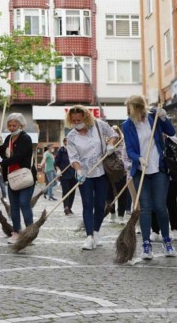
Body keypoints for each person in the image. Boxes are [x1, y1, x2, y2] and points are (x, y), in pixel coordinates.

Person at [122, 95, 176, 260]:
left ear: (139, 107)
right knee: (145, 208)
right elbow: (130, 148)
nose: (128, 112)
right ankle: (146, 244)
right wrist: (138, 158)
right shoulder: (127, 125)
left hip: (158, 168)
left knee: (160, 206)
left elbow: (171, 132)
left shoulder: (153, 117)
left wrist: (163, 117)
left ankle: (167, 240)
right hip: (140, 170)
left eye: (130, 108)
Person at [65, 105, 118, 250]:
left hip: (102, 172)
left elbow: (114, 134)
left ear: (86, 117)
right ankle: (89, 237)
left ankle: (96, 232)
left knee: (100, 205)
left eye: (79, 119)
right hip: (85, 174)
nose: (76, 123)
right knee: (87, 204)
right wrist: (79, 171)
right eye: (74, 120)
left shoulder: (99, 125)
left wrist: (110, 145)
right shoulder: (71, 137)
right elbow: (73, 158)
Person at [0, 113, 37, 244]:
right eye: (10, 125)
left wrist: (1, 164)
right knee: (13, 206)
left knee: (24, 203)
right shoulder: (9, 138)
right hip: (12, 177)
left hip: (25, 176)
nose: (12, 128)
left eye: (15, 125)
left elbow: (18, 156)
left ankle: (29, 233)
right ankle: (16, 232)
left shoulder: (26, 138)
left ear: (21, 125)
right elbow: (3, 154)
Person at [106, 125, 130, 225]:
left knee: (122, 195)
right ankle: (112, 213)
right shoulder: (106, 145)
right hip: (109, 172)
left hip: (121, 172)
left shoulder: (124, 144)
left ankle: (121, 216)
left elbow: (126, 157)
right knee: (109, 194)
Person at [54, 138, 76, 215]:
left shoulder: (73, 151)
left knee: (72, 192)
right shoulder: (61, 151)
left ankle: (70, 207)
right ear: (64, 142)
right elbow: (56, 162)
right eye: (67, 142)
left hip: (73, 175)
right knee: (66, 191)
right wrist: (58, 169)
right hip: (64, 175)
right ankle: (66, 207)